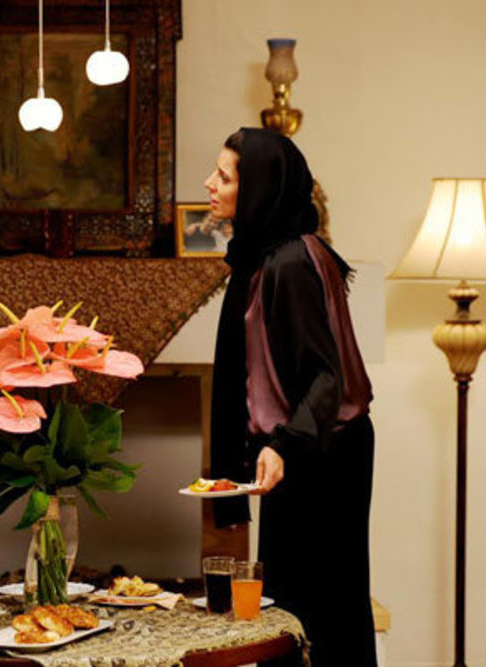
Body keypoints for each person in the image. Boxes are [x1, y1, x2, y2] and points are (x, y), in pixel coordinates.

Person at [205, 128, 376, 666]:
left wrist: (282, 445)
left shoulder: (290, 262)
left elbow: (326, 378)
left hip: (321, 451)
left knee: (312, 612)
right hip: (309, 444)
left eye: (224, 176)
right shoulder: (275, 252)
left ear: (259, 188)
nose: (209, 184)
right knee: (297, 608)